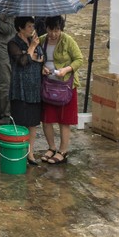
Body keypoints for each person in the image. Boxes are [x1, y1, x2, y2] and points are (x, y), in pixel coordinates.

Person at [40, 15, 83, 164]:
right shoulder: (42, 40)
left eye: (57, 30)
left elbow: (79, 59)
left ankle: (63, 151)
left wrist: (67, 69)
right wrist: (42, 67)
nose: (53, 34)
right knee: (47, 119)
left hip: (66, 86)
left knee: (64, 120)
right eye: (51, 30)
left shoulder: (67, 40)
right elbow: (36, 57)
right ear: (46, 28)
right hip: (48, 85)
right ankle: (51, 147)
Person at [7, 15, 45, 165]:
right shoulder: (13, 43)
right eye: (29, 26)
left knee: (33, 122)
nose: (32, 29)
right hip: (20, 87)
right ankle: (19, 151)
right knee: (20, 121)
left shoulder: (33, 40)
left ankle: (30, 152)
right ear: (20, 28)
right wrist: (31, 50)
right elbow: (22, 62)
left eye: (33, 26)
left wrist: (32, 54)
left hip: (34, 86)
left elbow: (41, 58)